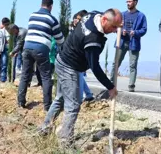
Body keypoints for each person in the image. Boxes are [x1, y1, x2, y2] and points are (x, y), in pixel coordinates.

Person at [39, 9, 121, 147]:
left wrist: (119, 26)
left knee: (61, 98)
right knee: (73, 105)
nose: (114, 31)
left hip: (62, 59)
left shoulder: (93, 15)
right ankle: (65, 142)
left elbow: (101, 14)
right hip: (69, 67)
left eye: (117, 28)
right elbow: (94, 67)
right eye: (113, 27)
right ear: (104, 20)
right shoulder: (93, 39)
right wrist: (110, 87)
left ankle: (44, 128)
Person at [17, 0, 64, 111]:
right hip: (41, 48)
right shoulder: (52, 19)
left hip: (27, 47)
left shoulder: (32, 15)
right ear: (51, 6)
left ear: (41, 4)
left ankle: (20, 102)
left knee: (25, 75)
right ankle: (47, 106)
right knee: (46, 77)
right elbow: (60, 40)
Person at [109, 0, 148, 92]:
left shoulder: (141, 16)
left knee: (132, 65)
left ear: (135, 2)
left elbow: (144, 29)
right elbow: (115, 26)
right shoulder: (122, 15)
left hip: (134, 43)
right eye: (127, 2)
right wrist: (121, 31)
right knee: (116, 63)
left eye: (130, 1)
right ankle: (110, 83)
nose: (128, 3)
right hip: (121, 42)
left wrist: (135, 32)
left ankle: (131, 85)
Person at [0, 18, 14, 82]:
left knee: (13, 65)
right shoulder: (1, 31)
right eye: (6, 24)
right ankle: (3, 79)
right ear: (3, 24)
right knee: (4, 64)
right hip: (4, 49)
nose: (7, 25)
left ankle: (12, 79)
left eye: (8, 24)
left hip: (12, 49)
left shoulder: (12, 30)